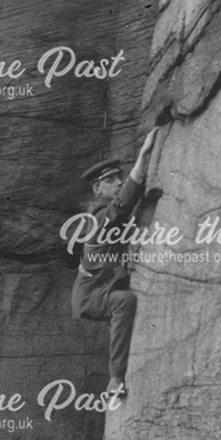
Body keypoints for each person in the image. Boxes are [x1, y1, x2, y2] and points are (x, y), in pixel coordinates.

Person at [71, 127, 158, 403]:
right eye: (110, 180)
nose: (118, 182)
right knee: (124, 302)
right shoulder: (96, 216)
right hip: (89, 296)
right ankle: (116, 377)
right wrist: (142, 161)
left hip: (100, 286)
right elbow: (120, 209)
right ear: (98, 189)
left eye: (119, 177)